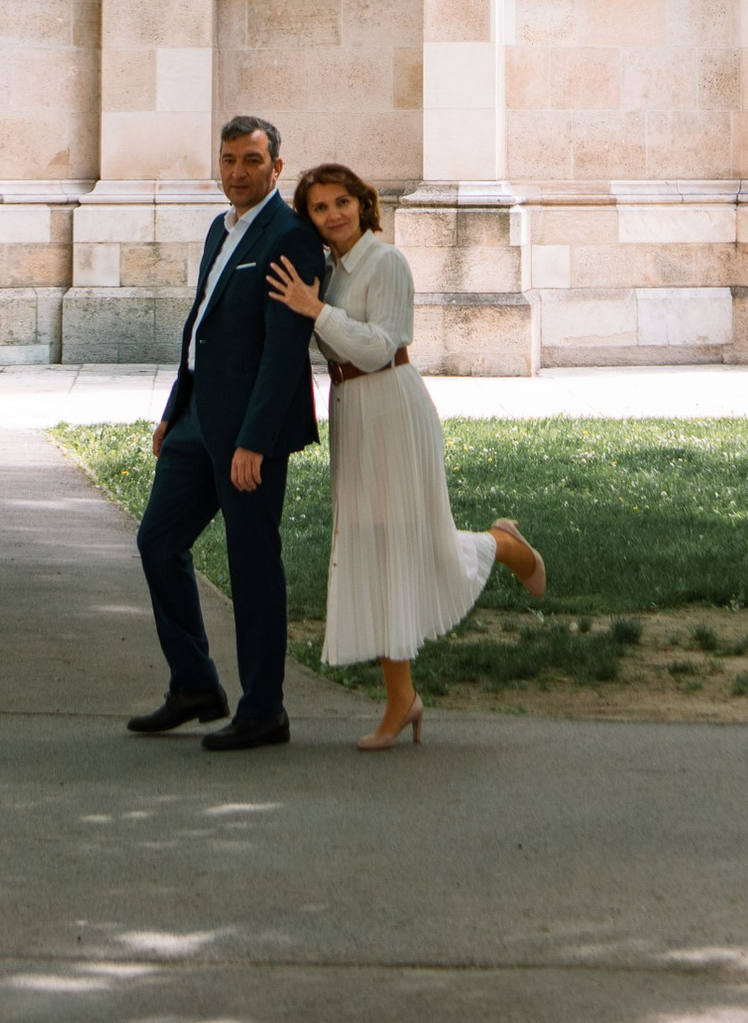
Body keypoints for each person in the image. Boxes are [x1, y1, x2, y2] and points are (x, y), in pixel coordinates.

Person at [266, 164, 544, 750]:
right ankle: (403, 697)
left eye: (342, 201)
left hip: (393, 404)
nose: (333, 214)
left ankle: (504, 546)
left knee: (409, 542)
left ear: (362, 203)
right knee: (371, 543)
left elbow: (377, 346)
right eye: (319, 207)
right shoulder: (329, 272)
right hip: (352, 412)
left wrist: (316, 311)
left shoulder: (386, 262)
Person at [127, 114, 330, 754]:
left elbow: (283, 350)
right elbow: (201, 324)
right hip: (194, 423)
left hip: (248, 436)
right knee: (158, 542)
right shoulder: (221, 227)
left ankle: (264, 710)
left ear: (276, 168)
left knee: (252, 566)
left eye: (251, 161)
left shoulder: (290, 237)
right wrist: (173, 407)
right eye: (228, 160)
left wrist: (255, 440)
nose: (237, 173)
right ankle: (195, 686)